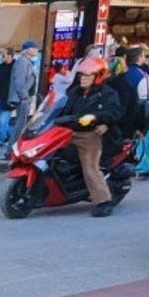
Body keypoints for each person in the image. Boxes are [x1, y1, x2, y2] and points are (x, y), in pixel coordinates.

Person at [60, 56, 124, 218]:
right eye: (81, 75)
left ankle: (103, 201)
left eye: (87, 75)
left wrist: (98, 119)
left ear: (98, 76)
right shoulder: (74, 92)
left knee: (90, 166)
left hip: (90, 134)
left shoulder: (107, 94)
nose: (83, 78)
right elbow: (60, 107)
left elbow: (115, 112)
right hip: (67, 132)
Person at [118, 47, 149, 180]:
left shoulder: (121, 73)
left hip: (119, 112)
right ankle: (143, 167)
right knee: (146, 136)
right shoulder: (142, 76)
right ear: (140, 58)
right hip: (135, 112)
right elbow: (145, 99)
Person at [7, 39, 40, 153]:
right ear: (28, 49)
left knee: (21, 124)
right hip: (23, 98)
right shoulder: (22, 62)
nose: (36, 50)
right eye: (34, 48)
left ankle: (13, 149)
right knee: (20, 125)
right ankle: (12, 150)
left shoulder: (26, 61)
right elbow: (19, 81)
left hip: (25, 98)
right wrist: (24, 97)